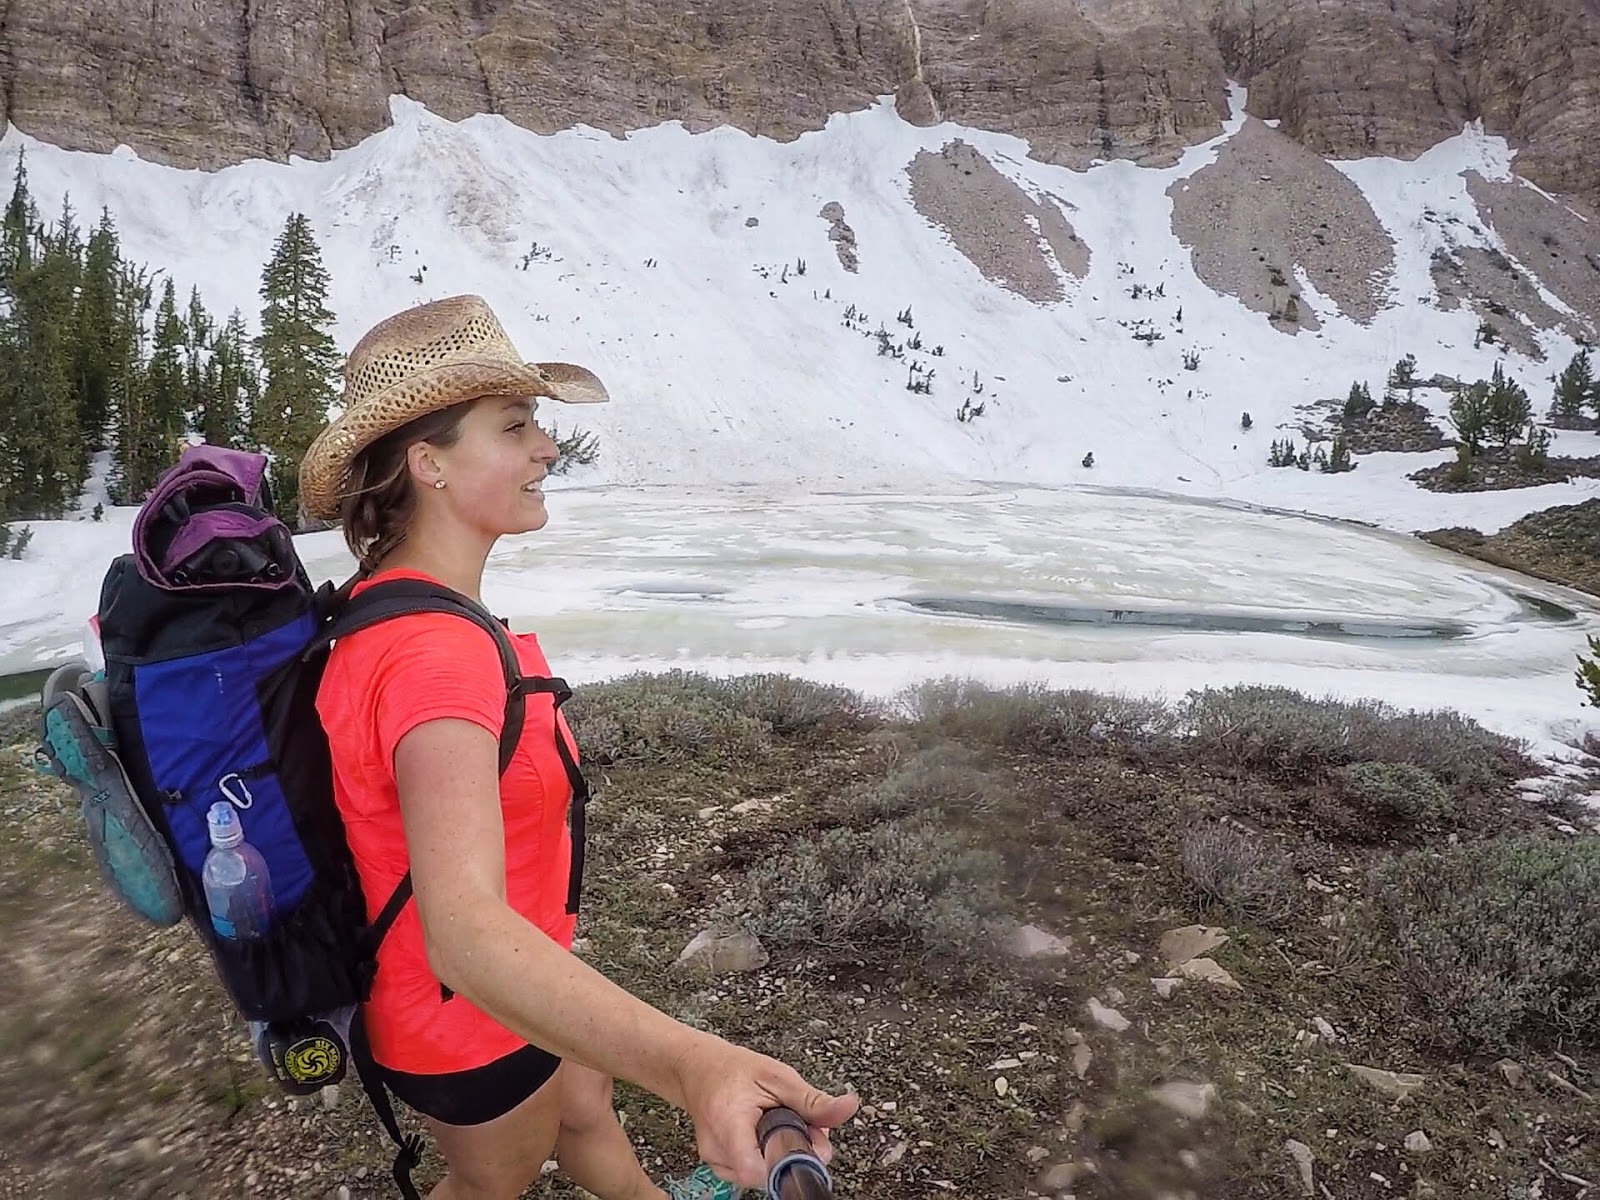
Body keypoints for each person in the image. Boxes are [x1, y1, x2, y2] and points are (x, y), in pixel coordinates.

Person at [299, 295, 856, 1200]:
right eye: (515, 427)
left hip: (532, 976)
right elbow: (466, 940)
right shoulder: (431, 654)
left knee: (588, 1114)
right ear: (428, 462)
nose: (545, 448)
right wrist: (693, 1067)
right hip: (471, 1019)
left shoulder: (419, 611)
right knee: (491, 1185)